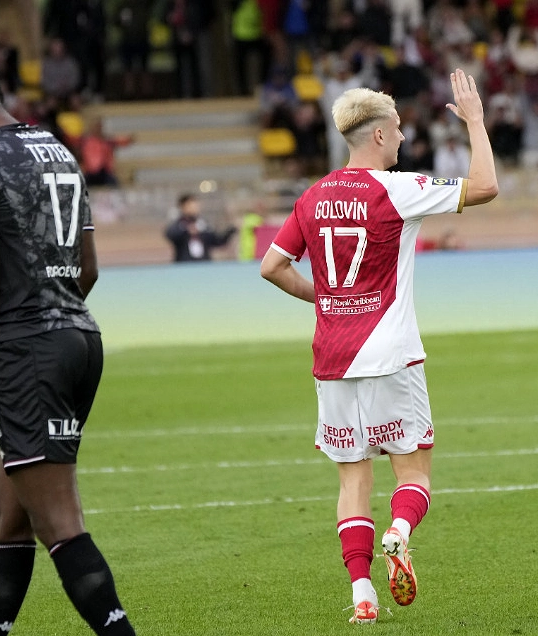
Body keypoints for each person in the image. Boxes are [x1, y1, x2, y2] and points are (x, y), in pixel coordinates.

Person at [259, 70, 499, 625]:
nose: (403, 138)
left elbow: (272, 266)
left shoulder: (313, 195)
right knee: (413, 476)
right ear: (379, 135)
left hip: (332, 358)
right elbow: (485, 186)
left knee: (352, 479)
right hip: (390, 353)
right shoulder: (399, 188)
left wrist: (324, 298)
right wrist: (475, 121)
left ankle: (363, 593)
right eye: (398, 129)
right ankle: (399, 531)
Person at [0, 59, 134, 635]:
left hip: (27, 351)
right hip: (80, 339)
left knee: (61, 525)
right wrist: (55, 313)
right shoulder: (58, 150)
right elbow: (88, 268)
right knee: (8, 517)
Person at [165, 193, 237, 262]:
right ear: (183, 207)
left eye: (196, 205)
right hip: (185, 264)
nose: (194, 208)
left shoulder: (202, 224)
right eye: (190, 206)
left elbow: (217, 241)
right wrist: (186, 230)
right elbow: (171, 234)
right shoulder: (179, 225)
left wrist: (231, 230)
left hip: (204, 264)